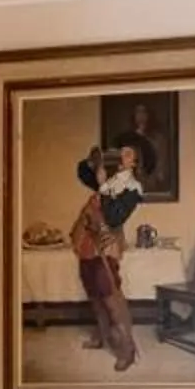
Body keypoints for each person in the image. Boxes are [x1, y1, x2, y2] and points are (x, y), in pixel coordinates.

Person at [72, 139, 147, 373]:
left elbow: (114, 217)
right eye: (120, 152)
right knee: (93, 293)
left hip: (106, 243)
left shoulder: (132, 188)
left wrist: (103, 186)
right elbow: (83, 172)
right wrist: (94, 161)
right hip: (87, 241)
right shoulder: (112, 179)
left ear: (134, 162)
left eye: (126, 154)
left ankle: (127, 349)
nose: (120, 156)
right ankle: (102, 337)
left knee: (110, 296)